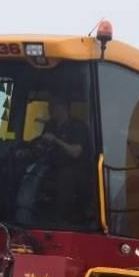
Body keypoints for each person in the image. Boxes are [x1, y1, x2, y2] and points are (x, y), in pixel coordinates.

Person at [36, 95, 94, 226]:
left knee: (66, 174)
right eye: (49, 107)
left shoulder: (78, 126)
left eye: (52, 107)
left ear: (63, 107)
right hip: (50, 167)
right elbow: (42, 144)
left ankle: (63, 218)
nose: (50, 110)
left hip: (75, 173)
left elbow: (76, 152)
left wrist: (56, 140)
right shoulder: (50, 125)